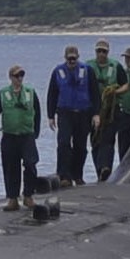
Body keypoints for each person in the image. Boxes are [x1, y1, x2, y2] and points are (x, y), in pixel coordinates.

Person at [0, 65, 42, 211]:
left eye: (21, 75)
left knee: (30, 164)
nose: (19, 78)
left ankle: (28, 196)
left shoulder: (30, 93)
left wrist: (36, 132)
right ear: (11, 77)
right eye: (16, 76)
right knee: (10, 168)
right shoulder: (3, 94)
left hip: (26, 135)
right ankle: (12, 198)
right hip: (9, 136)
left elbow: (38, 113)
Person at [47, 45, 98, 186]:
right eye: (69, 59)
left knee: (80, 146)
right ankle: (64, 176)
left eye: (74, 58)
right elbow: (52, 94)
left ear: (78, 57)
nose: (72, 61)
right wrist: (50, 115)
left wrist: (96, 114)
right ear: (65, 58)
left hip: (83, 113)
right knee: (63, 143)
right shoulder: (58, 72)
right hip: (65, 113)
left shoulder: (87, 70)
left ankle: (78, 175)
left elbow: (95, 93)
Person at [88, 40, 122, 182]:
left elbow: (126, 84)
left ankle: (105, 168)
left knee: (108, 140)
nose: (101, 54)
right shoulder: (88, 66)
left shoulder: (116, 66)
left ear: (108, 52)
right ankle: (99, 171)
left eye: (104, 51)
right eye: (99, 51)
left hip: (111, 109)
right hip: (93, 108)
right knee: (95, 141)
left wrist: (113, 91)